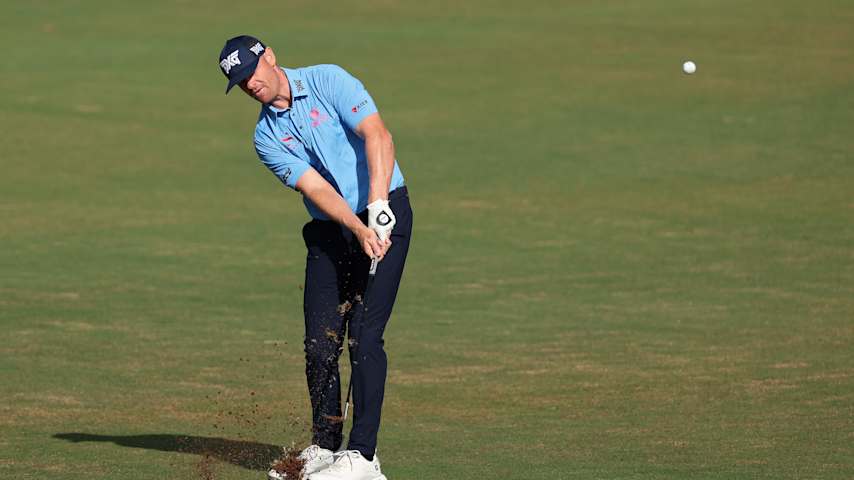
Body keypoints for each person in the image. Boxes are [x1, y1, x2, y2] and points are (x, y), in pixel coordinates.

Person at [218, 35, 412, 480]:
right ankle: (325, 448)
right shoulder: (265, 137)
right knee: (320, 341)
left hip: (386, 210)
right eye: (239, 82)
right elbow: (317, 190)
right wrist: (358, 227)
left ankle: (363, 457)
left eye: (250, 73)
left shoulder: (328, 80)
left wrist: (378, 205)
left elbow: (376, 135)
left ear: (269, 57)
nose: (249, 85)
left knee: (364, 337)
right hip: (334, 228)